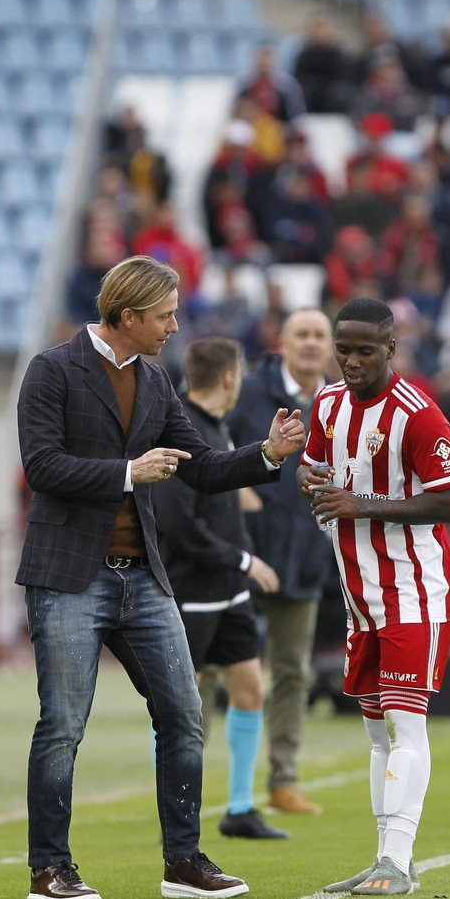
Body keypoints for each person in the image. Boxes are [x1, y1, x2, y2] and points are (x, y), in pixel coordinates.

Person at [14, 256, 306, 899]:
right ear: (127, 315)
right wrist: (128, 471)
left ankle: (183, 861)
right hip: (69, 577)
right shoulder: (51, 370)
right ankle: (49, 869)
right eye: (166, 314)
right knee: (62, 722)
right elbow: (41, 466)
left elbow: (198, 466)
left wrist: (266, 454)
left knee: (183, 711)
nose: (175, 325)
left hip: (142, 575)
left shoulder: (156, 378)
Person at [300, 297, 450, 897]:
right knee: (375, 734)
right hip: (359, 596)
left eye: (364, 350)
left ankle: (398, 859)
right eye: (343, 348)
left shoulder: (418, 416)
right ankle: (383, 857)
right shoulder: (326, 404)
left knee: (405, 724)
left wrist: (361, 504)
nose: (350, 360)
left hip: (413, 590)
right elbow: (315, 467)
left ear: (390, 349)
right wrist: (308, 478)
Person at [152, 337, 290, 841]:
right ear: (231, 378)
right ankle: (175, 808)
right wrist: (243, 558)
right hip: (188, 592)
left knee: (250, 690)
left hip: (228, 592)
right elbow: (179, 525)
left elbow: (211, 502)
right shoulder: (179, 430)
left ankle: (238, 807)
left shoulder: (216, 429)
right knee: (178, 705)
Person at [228, 309, 335, 816]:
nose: (312, 344)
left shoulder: (341, 404)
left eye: (320, 335)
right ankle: (203, 778)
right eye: (303, 334)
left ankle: (283, 779)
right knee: (213, 668)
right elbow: (210, 447)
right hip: (241, 554)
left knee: (293, 671)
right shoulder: (249, 392)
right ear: (283, 343)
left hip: (306, 555)